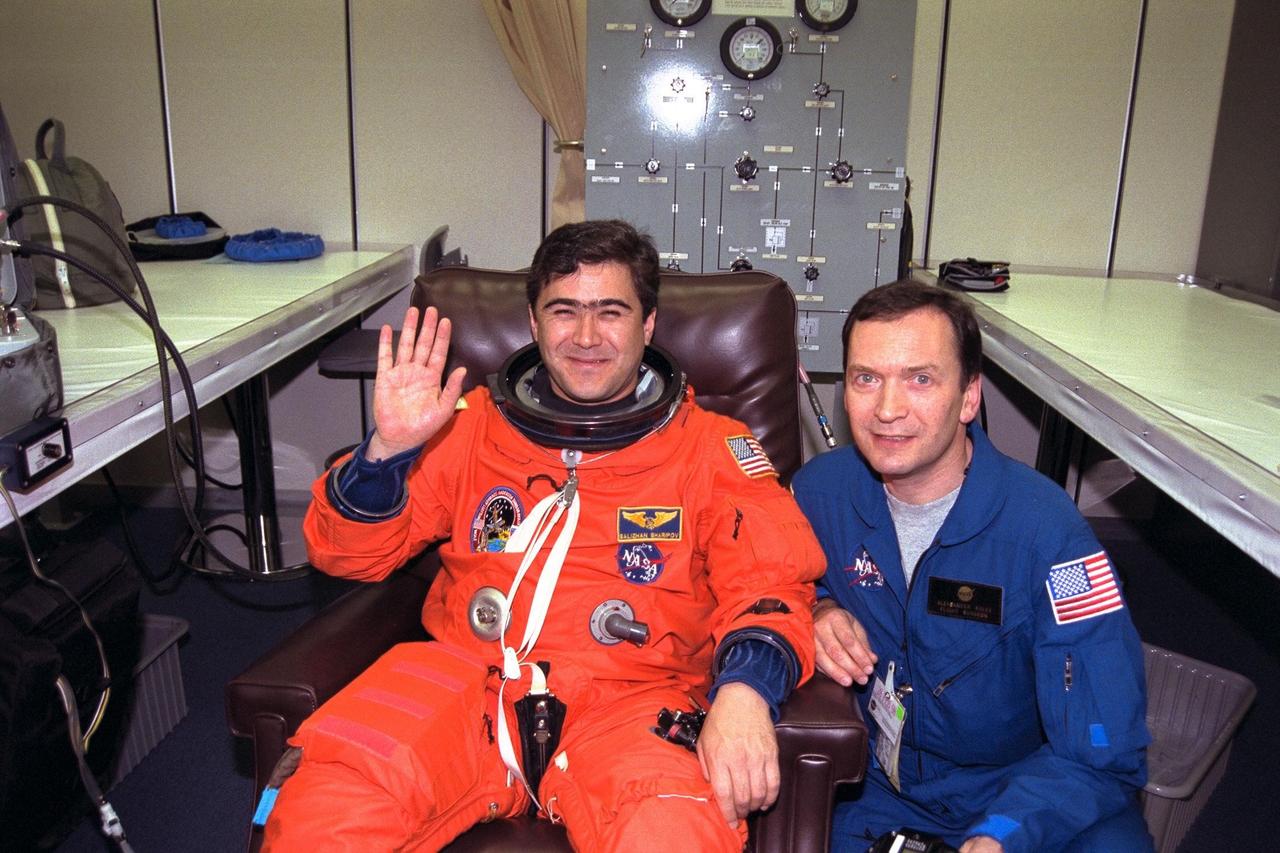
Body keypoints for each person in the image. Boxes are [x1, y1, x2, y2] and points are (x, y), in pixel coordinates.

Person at [262, 220, 825, 851]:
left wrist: (746, 692)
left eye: (611, 312)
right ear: (533, 323)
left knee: (673, 832)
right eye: (564, 311)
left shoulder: (711, 449)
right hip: (463, 683)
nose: (586, 337)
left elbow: (770, 582)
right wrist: (387, 453)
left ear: (648, 325)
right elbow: (347, 556)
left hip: (634, 701)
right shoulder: (464, 428)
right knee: (323, 811)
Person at [791, 280, 1151, 853]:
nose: (887, 410)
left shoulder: (1052, 534)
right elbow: (756, 589)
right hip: (870, 793)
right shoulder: (817, 495)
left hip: (1020, 792)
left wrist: (1001, 836)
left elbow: (1104, 751)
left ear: (968, 397)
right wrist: (815, 608)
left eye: (920, 378)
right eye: (867, 378)